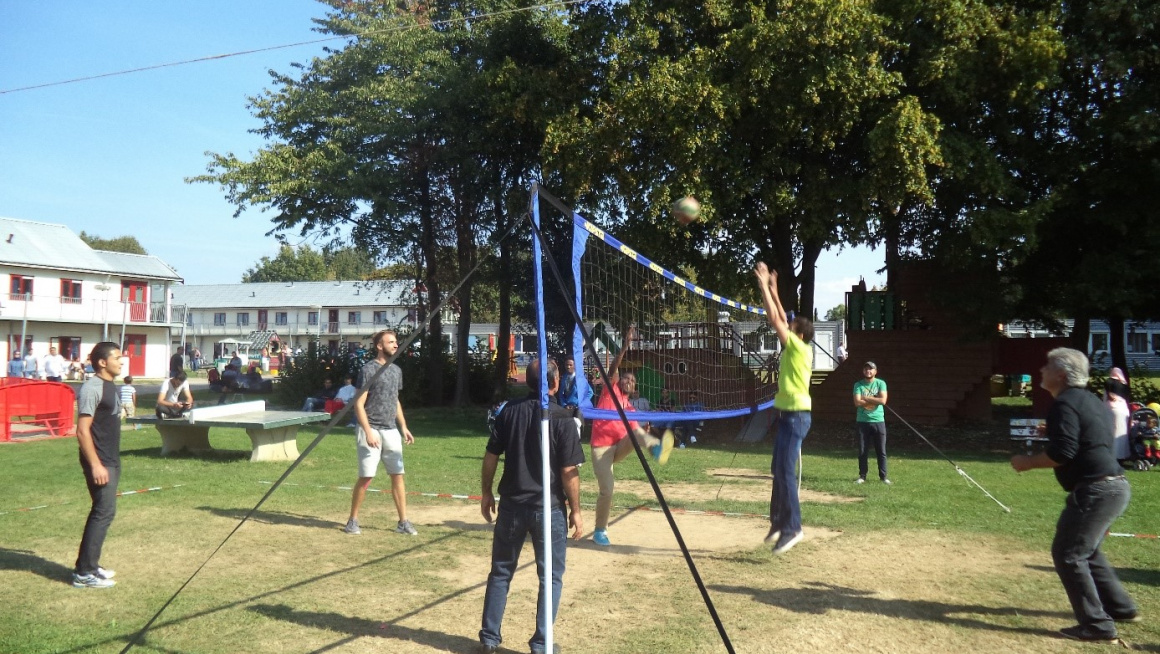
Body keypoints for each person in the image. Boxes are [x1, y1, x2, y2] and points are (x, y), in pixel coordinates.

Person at [1011, 348, 1137, 643]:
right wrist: (1053, 430)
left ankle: (1098, 625)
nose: (1041, 370)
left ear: (1062, 375)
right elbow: (1090, 438)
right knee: (1086, 550)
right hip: (1114, 486)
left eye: (1047, 366)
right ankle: (1120, 606)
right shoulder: (1089, 400)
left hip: (1096, 490)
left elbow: (1063, 453)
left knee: (1069, 554)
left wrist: (1027, 462)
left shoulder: (1064, 403)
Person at [478, 358, 584, 654]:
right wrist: (576, 509)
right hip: (547, 509)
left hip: (513, 505)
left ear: (527, 381)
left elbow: (490, 456)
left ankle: (489, 640)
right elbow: (568, 471)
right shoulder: (562, 418)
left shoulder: (507, 412)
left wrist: (486, 492)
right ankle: (541, 644)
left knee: (500, 572)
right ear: (555, 382)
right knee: (550, 578)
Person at [588, 324, 673, 547]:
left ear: (635, 388)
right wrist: (625, 345)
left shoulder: (631, 408)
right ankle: (600, 531)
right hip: (601, 448)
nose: (628, 381)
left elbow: (640, 430)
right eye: (625, 378)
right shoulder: (611, 389)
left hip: (620, 446)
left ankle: (656, 448)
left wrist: (651, 434)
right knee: (607, 490)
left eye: (632, 381)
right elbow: (615, 366)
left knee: (638, 431)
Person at [755, 262, 814, 555]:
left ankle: (793, 528)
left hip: (797, 417)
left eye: (792, 328)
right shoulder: (799, 346)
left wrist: (764, 285)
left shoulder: (798, 348)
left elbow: (775, 319)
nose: (786, 326)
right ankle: (779, 523)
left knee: (785, 472)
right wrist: (776, 291)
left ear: (799, 334)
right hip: (790, 416)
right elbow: (781, 316)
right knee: (777, 469)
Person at [344, 330, 417, 536]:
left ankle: (403, 522)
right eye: (391, 342)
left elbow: (395, 400)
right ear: (379, 346)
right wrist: (368, 431)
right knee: (366, 476)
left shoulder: (396, 370)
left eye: (396, 342)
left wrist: (403, 426)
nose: (395, 345)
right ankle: (353, 520)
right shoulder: (368, 370)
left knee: (398, 475)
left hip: (390, 429)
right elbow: (358, 404)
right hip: (371, 429)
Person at [73, 341, 123, 589]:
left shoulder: (110, 385)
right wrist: (96, 465)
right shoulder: (92, 388)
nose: (121, 361)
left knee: (106, 511)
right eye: (117, 357)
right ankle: (84, 573)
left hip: (111, 458)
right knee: (102, 512)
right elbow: (82, 431)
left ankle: (91, 565)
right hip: (100, 460)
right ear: (103, 362)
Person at [853, 361, 890, 484]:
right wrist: (875, 399)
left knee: (881, 450)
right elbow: (857, 402)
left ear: (875, 371)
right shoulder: (858, 385)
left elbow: (883, 400)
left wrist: (865, 398)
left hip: (878, 421)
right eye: (866, 369)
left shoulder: (881, 383)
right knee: (863, 450)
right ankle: (862, 476)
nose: (868, 371)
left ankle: (883, 477)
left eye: (871, 369)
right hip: (862, 422)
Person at [1105, 368, 1131, 462]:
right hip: (1124, 411)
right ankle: (1122, 455)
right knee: (1122, 434)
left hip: (1111, 409)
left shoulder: (1109, 382)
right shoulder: (1124, 384)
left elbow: (1105, 397)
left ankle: (1112, 455)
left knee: (1112, 433)